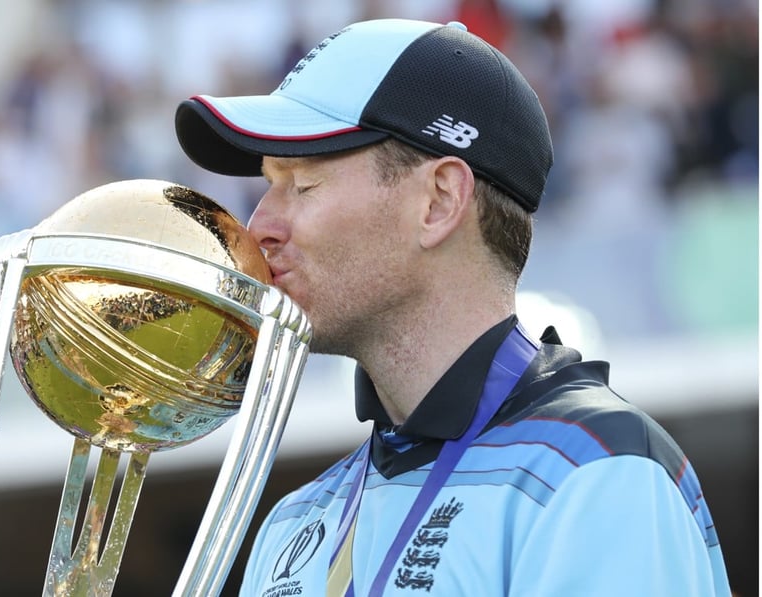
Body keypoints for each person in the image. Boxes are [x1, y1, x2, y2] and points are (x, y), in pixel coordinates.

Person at [172, 18, 731, 596]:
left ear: (439, 201)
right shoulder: (294, 522)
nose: (259, 226)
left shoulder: (597, 475)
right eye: (267, 185)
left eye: (302, 184)